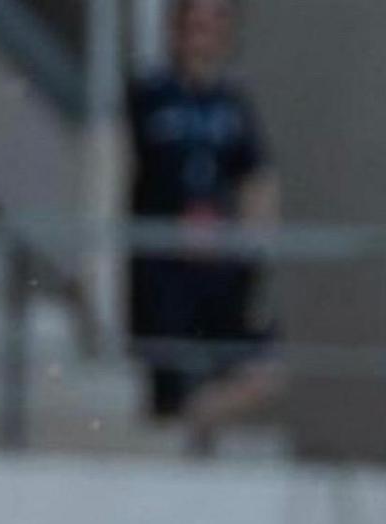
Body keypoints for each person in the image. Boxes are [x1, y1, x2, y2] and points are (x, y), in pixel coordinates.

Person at [123, 0, 283, 451]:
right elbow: (118, 168)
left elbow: (257, 178)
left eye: (213, 25)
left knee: (262, 369)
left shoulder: (231, 104)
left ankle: (198, 427)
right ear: (175, 29)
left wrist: (254, 246)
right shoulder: (148, 96)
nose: (202, 35)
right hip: (165, 269)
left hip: (218, 268)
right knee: (167, 389)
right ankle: (180, 443)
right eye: (194, 24)